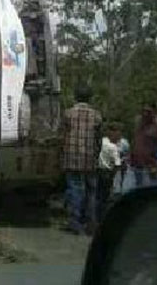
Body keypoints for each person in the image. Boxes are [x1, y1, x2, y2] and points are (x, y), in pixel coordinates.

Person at [62, 84, 102, 235]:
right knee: (91, 191)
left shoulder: (68, 114)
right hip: (90, 158)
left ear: (76, 97)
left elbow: (63, 135)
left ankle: (75, 223)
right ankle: (91, 223)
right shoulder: (96, 115)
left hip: (71, 158)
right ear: (89, 98)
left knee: (75, 190)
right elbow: (98, 139)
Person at [131, 103, 157, 187]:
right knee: (138, 189)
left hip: (151, 166)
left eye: (148, 112)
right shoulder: (139, 124)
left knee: (150, 189)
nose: (145, 114)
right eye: (144, 111)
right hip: (137, 164)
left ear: (154, 113)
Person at [96, 123, 122, 221]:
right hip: (107, 173)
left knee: (96, 196)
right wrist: (113, 176)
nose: (119, 137)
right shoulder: (113, 147)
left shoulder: (100, 142)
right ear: (112, 133)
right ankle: (101, 218)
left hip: (96, 171)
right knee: (104, 198)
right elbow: (117, 164)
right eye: (118, 134)